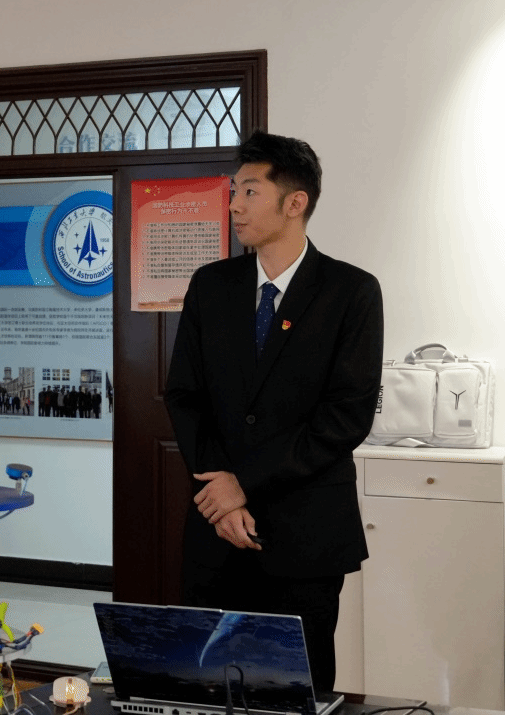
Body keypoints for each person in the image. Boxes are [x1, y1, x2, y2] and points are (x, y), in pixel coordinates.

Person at [164, 130, 383, 694]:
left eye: (250, 192)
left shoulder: (351, 292)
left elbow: (346, 416)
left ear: (295, 202)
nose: (234, 206)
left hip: (305, 536)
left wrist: (244, 484)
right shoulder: (211, 285)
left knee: (297, 689)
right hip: (217, 532)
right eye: (233, 191)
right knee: (206, 686)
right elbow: (185, 395)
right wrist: (220, 492)